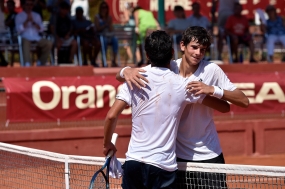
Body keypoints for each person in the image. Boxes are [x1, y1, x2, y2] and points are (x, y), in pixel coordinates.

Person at [116, 26, 249, 189]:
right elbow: (126, 75)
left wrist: (212, 89)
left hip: (208, 155)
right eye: (194, 47)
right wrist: (125, 70)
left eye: (203, 49)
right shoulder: (169, 67)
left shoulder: (212, 70)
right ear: (182, 46)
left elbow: (242, 101)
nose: (198, 53)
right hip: (177, 159)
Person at [15, 0, 52, 66]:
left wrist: (33, 22)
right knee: (25, 42)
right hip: (25, 36)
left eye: (31, 5)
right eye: (27, 4)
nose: (29, 6)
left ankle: (41, 62)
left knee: (49, 43)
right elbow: (18, 30)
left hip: (36, 37)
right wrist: (26, 21)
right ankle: (27, 63)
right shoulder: (19, 16)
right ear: (24, 6)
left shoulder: (37, 15)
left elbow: (41, 29)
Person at [94, 1, 119, 67]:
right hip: (101, 36)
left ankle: (114, 60)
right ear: (100, 8)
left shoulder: (109, 17)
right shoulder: (97, 17)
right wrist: (105, 24)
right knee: (104, 41)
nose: (104, 9)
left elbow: (111, 29)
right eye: (103, 7)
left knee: (115, 40)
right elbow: (98, 28)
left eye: (105, 8)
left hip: (109, 36)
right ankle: (104, 60)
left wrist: (109, 23)